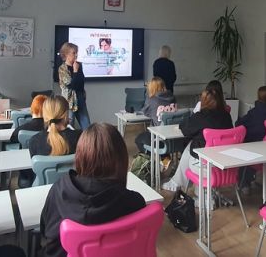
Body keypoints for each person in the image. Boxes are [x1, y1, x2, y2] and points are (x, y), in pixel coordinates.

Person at [38, 123, 146, 257]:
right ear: (121, 160)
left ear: (80, 156)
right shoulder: (134, 203)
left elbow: (45, 233)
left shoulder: (58, 191)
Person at [162, 88, 233, 192]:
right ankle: (180, 183)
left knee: (192, 147)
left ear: (203, 101)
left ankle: (179, 183)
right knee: (191, 145)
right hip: (226, 165)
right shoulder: (227, 116)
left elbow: (185, 129)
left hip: (205, 167)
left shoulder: (200, 117)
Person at [134, 77, 178, 152]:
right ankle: (165, 157)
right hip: (174, 137)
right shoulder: (173, 97)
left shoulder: (152, 99)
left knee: (138, 139)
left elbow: (146, 112)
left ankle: (152, 158)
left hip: (158, 137)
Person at [58, 42, 90, 130]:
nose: (76, 55)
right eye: (73, 53)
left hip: (80, 98)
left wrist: (77, 70)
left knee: (87, 126)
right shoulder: (62, 68)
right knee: (69, 126)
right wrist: (75, 71)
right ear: (66, 54)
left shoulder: (79, 65)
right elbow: (72, 85)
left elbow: (81, 83)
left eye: (76, 52)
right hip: (69, 101)